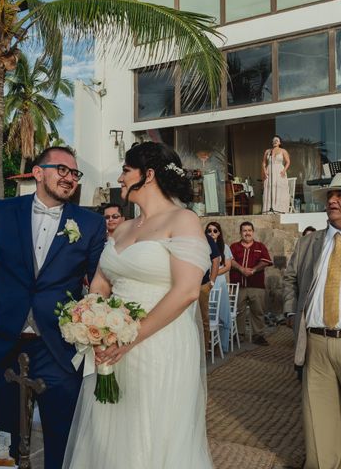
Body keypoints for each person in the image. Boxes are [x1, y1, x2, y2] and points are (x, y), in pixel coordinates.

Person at [63, 142, 213, 468]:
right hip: (111, 343)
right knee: (106, 433)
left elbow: (187, 291)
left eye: (125, 170)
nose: (119, 178)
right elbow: (101, 283)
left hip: (159, 343)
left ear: (148, 174)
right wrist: (91, 323)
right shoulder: (124, 228)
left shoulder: (183, 219)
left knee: (148, 432)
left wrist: (129, 337)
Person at [0, 146, 106, 469]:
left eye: (74, 173)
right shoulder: (1, 211)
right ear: (38, 173)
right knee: (4, 437)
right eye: (62, 170)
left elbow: (99, 284)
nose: (70, 178)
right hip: (3, 341)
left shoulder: (90, 223)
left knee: (61, 436)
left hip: (58, 347)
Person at [283, 172, 341, 468]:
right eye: (330, 196)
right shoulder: (311, 242)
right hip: (315, 347)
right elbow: (291, 278)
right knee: (319, 439)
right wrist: (292, 312)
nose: (332, 200)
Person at [230, 222, 272, 346]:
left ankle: (258, 336)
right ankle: (238, 336)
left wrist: (253, 270)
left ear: (253, 232)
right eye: (244, 230)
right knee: (238, 311)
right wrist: (241, 269)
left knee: (258, 311)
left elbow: (265, 261)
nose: (247, 233)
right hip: (239, 285)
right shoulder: (234, 247)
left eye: (249, 230)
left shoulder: (260, 246)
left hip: (256, 286)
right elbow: (229, 260)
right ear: (240, 232)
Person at [205, 221, 233, 352]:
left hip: (219, 280)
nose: (212, 233)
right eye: (209, 230)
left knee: (221, 311)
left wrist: (213, 274)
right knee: (208, 311)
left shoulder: (224, 247)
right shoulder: (204, 246)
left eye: (215, 230)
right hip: (205, 281)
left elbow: (227, 266)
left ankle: (222, 344)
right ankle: (208, 341)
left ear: (219, 233)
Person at [199, 233, 220, 349]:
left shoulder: (206, 238)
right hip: (184, 285)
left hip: (202, 285)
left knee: (203, 319)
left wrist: (211, 282)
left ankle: (204, 350)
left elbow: (216, 259)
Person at [262, 135, 291, 214]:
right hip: (269, 172)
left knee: (279, 189)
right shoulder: (268, 151)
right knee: (270, 189)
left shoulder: (283, 151)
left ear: (280, 142)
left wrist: (284, 170)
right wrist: (264, 171)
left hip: (279, 171)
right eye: (274, 140)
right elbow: (264, 162)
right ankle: (269, 209)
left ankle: (279, 209)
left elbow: (288, 161)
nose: (275, 141)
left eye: (277, 140)